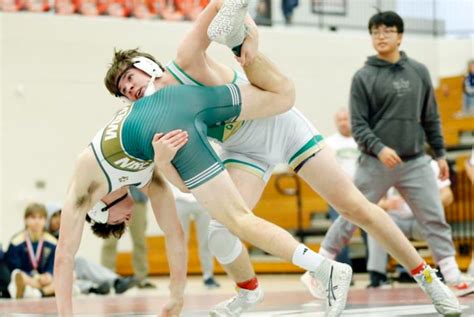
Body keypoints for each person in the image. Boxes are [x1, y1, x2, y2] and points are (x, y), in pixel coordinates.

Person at [106, 1, 460, 315]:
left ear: (143, 64)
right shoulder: (159, 122)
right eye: (123, 92)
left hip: (278, 122)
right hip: (243, 149)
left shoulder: (183, 60)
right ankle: (249, 292)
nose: (130, 89)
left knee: (355, 208)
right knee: (221, 232)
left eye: (129, 78)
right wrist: (163, 161)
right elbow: (187, 185)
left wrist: (253, 36)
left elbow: (222, 6)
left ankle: (429, 279)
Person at [54, 3, 357, 315]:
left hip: (166, 122)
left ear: (101, 208)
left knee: (236, 220)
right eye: (124, 88)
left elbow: (64, 256)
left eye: (119, 221)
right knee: (283, 97)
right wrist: (175, 296)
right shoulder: (141, 174)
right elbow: (175, 230)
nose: (127, 221)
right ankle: (239, 34)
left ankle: (325, 270)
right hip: (182, 108)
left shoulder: (85, 183)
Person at [317, 10, 472, 298]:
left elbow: (431, 117)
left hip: (414, 161)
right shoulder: (363, 76)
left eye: (387, 31)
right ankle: (320, 266)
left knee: (434, 216)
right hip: (375, 162)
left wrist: (439, 153)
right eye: (375, 32)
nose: (381, 37)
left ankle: (453, 276)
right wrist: (380, 148)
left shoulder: (419, 72)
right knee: (352, 213)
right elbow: (359, 125)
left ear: (400, 36)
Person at [366, 159, 454, 288]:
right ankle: (377, 275)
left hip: (422, 219)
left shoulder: (431, 165)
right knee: (376, 226)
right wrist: (386, 204)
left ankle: (444, 270)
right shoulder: (386, 165)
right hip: (396, 220)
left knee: (437, 223)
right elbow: (370, 201)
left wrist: (430, 205)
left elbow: (448, 195)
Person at [46, 204, 138, 295]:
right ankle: (93, 288)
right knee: (66, 279)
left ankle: (116, 281)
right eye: (54, 216)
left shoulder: (62, 234)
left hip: (63, 267)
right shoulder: (42, 236)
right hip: (48, 273)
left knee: (80, 261)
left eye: (60, 215)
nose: (58, 219)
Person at [101, 186, 156, 289]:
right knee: (110, 241)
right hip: (114, 201)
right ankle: (106, 278)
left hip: (138, 201)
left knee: (140, 241)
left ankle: (141, 278)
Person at [171, 184, 220, 288]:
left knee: (206, 240)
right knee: (180, 242)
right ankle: (179, 278)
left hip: (202, 199)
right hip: (179, 200)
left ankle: (208, 275)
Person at [6, 203, 57, 299]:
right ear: (26, 220)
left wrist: (49, 275)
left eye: (41, 218)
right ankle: (45, 292)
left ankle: (39, 293)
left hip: (46, 280)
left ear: (45, 220)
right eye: (33, 217)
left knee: (70, 275)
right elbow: (13, 267)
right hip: (27, 278)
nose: (37, 222)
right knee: (16, 274)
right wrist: (34, 277)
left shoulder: (52, 242)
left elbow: (54, 264)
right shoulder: (16, 242)